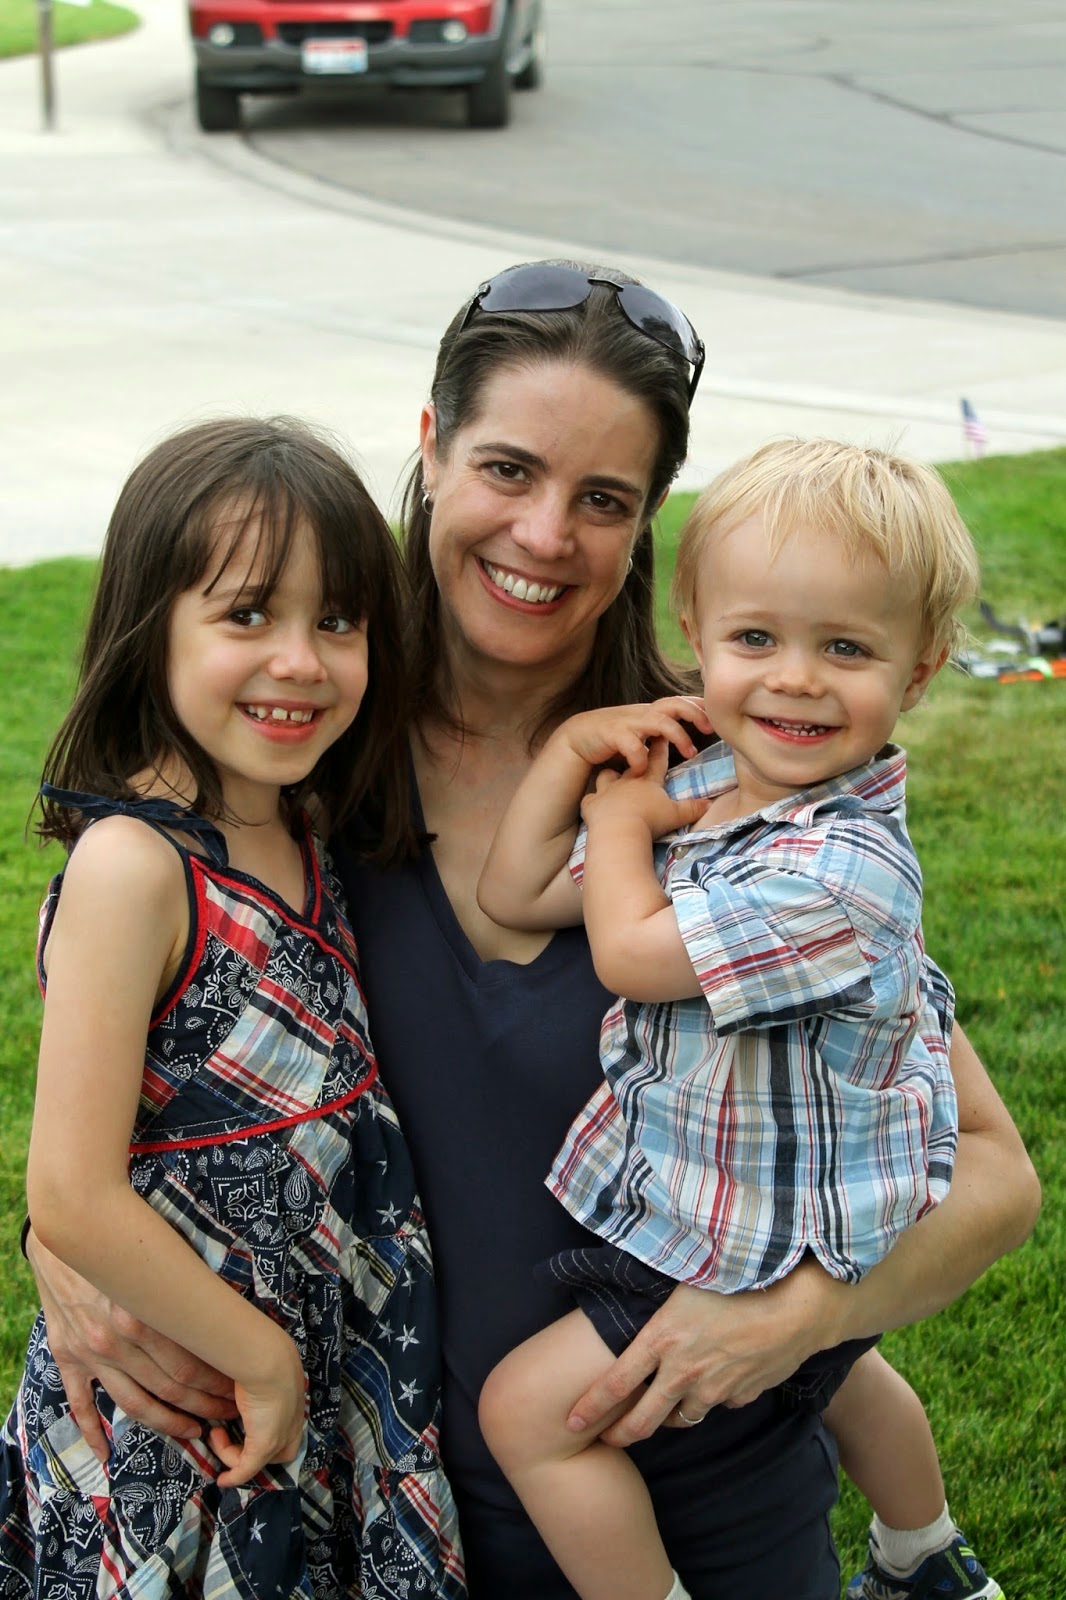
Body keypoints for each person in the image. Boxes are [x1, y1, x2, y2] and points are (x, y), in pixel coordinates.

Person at [23, 265, 1040, 1598]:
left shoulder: (730, 783)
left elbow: (993, 1176)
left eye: (603, 499)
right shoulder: (297, 753)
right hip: (377, 1524)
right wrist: (60, 1250)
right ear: (433, 447)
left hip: (708, 1514)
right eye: (508, 468)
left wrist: (801, 1313)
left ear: (647, 523)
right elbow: (134, 1077)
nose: (546, 533)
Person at [476, 438, 1001, 1600]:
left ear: (919, 670)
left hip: (739, 1232)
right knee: (842, 1373)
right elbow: (515, 895)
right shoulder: (721, 793)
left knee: (527, 1414)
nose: (794, 679)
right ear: (697, 637)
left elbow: (629, 951)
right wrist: (572, 758)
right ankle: (925, 1557)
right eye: (756, 638)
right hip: (785, 1197)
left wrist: (621, 825)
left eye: (845, 648)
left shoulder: (844, 869)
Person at [0, 419, 465, 1600]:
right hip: (188, 1389)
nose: (300, 660)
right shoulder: (134, 866)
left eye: (338, 621)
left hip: (333, 1341)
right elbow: (70, 1191)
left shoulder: (301, 822)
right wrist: (259, 1358)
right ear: (147, 626)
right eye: (247, 613)